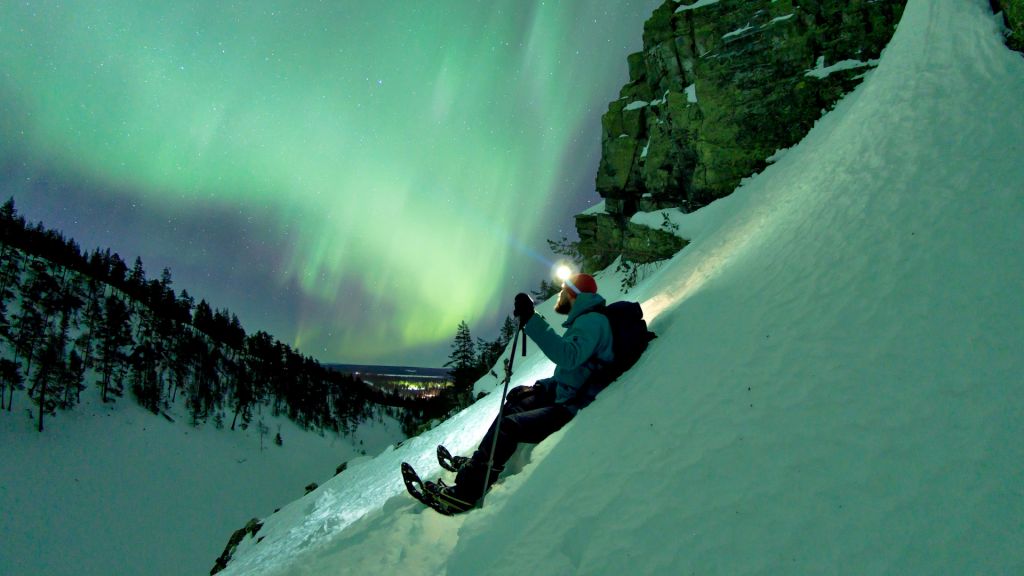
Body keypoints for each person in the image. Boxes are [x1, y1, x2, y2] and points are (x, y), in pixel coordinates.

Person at [432, 273, 614, 512]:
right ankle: (480, 465)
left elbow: (568, 358)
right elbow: (574, 373)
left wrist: (531, 320)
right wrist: (541, 386)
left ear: (574, 294)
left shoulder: (592, 322)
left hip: (571, 406)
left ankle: (466, 493)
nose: (559, 295)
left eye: (563, 290)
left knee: (510, 426)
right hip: (564, 395)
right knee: (515, 403)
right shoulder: (586, 320)